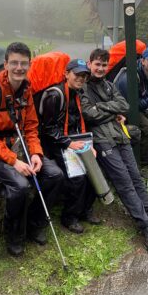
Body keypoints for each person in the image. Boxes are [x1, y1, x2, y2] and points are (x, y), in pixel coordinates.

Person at [81, 48, 148, 253]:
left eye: (104, 65)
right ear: (89, 64)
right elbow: (88, 114)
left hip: (120, 135)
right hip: (102, 140)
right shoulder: (82, 88)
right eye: (97, 64)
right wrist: (112, 110)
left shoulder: (109, 85)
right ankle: (146, 224)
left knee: (135, 177)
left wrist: (105, 109)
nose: (100, 68)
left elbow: (124, 105)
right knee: (124, 183)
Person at [0, 42, 63, 256]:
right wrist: (14, 161)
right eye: (14, 63)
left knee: (55, 175)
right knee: (20, 186)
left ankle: (34, 223)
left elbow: (31, 126)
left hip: (20, 144)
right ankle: (14, 234)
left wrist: (35, 153)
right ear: (5, 64)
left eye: (24, 63)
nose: (19, 68)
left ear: (29, 64)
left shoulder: (26, 89)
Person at [38, 59, 99, 234]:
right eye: (77, 74)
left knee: (95, 167)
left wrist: (89, 146)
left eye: (84, 75)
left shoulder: (78, 93)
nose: (81, 78)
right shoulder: (55, 95)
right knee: (77, 176)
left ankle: (85, 210)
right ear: (66, 74)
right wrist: (69, 144)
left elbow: (79, 125)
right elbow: (48, 129)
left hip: (73, 142)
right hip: (54, 145)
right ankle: (69, 217)